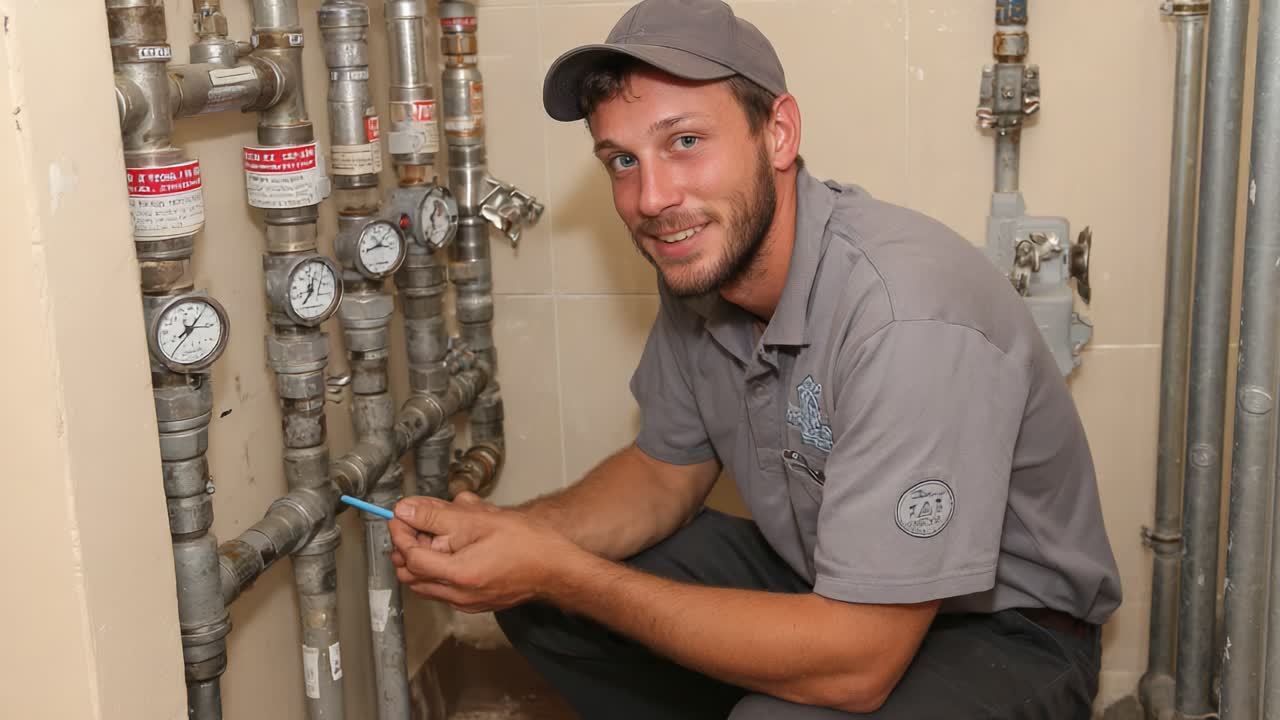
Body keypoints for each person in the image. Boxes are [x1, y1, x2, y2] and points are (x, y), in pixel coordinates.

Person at [388, 1, 1122, 717]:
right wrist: (517, 540)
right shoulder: (705, 260)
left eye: (684, 142)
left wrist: (561, 569)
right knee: (539, 599)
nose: (652, 197)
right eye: (622, 159)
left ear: (778, 133)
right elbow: (660, 475)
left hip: (1005, 633)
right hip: (826, 578)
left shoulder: (905, 318)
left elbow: (860, 664)